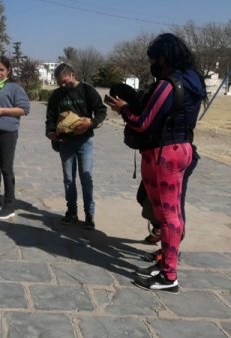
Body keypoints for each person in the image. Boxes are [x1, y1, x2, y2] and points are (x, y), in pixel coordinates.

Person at [107, 33, 206, 293]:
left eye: (153, 60)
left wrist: (123, 110)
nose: (152, 65)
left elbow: (143, 123)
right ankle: (165, 263)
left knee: (169, 216)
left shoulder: (168, 85)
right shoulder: (194, 79)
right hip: (182, 147)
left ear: (163, 58)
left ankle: (168, 275)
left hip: (165, 152)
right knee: (169, 213)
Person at [45, 63, 107, 230]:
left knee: (86, 178)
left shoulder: (87, 90)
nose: (63, 86)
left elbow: (101, 111)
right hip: (65, 143)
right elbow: (50, 117)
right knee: (68, 180)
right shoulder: (57, 95)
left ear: (73, 74)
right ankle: (71, 211)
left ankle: (89, 214)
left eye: (65, 81)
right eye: (60, 83)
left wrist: (92, 123)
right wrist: (50, 132)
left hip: (85, 141)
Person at [0, 56, 30, 220]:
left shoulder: (14, 88)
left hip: (7, 133)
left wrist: (2, 111)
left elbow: (24, 109)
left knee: (6, 168)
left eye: (2, 70)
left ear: (8, 71)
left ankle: (9, 205)